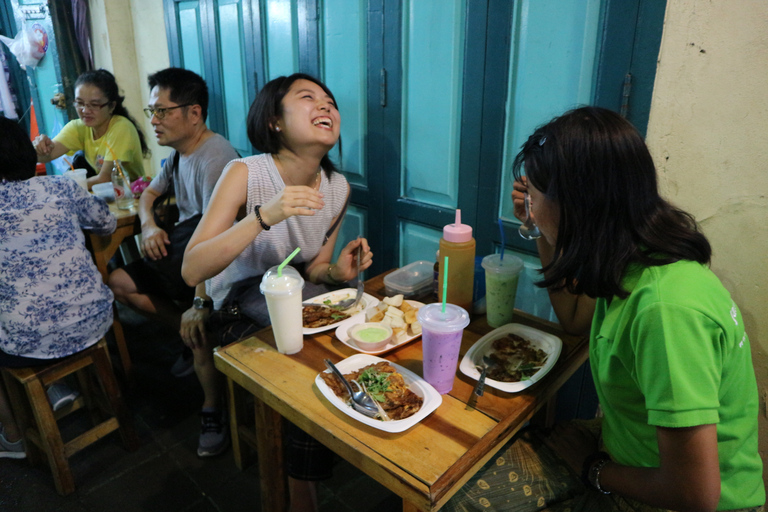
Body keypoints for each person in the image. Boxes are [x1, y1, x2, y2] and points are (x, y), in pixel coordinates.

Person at [444, 106, 764, 512]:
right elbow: (575, 320)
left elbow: (696, 494)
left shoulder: (665, 311)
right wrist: (538, 225)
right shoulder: (634, 257)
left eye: (536, 195)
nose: (529, 203)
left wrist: (595, 470)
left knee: (460, 500)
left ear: (579, 206)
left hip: (667, 494)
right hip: (628, 447)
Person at [181, 73, 372, 508]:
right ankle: (300, 492)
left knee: (349, 343)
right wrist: (263, 216)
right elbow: (192, 269)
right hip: (235, 305)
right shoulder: (246, 173)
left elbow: (316, 267)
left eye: (330, 101)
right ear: (275, 122)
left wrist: (338, 274)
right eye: (308, 99)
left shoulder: (338, 187)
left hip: (293, 294)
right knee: (304, 371)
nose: (326, 107)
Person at [107, 68, 239, 385]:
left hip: (209, 262)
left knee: (122, 278)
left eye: (162, 111)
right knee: (118, 282)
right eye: (152, 112)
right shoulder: (179, 155)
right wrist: (149, 224)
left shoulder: (216, 157)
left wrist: (199, 302)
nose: (153, 120)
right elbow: (148, 194)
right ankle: (190, 337)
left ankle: (196, 332)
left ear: (194, 113)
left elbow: (217, 236)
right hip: (181, 249)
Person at [0, 116, 116, 459]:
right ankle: (57, 385)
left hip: (29, 340)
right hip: (93, 321)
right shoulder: (60, 186)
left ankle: (13, 434)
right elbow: (106, 222)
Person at [33, 68, 148, 188]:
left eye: (94, 105)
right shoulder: (78, 127)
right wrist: (39, 148)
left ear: (111, 106)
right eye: (80, 103)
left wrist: (64, 187)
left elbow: (107, 179)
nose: (85, 111)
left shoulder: (122, 128)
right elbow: (46, 156)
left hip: (132, 197)